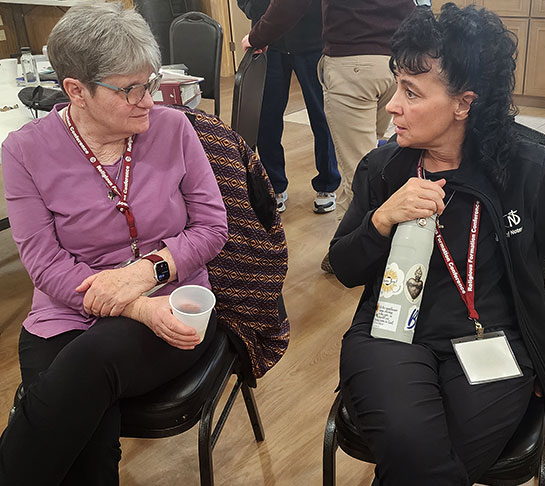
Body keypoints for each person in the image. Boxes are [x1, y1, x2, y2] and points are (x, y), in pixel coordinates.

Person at [329, 4, 545, 485]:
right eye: (397, 86)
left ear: (463, 104)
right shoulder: (383, 169)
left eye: (411, 91)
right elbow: (344, 267)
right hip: (391, 332)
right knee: (417, 450)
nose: (392, 105)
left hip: (495, 339)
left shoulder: (528, 171)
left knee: (420, 464)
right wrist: (382, 219)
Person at [0, 4, 228, 485]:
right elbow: (44, 264)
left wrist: (146, 274)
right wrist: (133, 305)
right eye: (130, 89)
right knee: (87, 446)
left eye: (150, 82)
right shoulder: (24, 151)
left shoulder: (173, 128)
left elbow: (211, 227)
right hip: (65, 312)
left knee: (85, 368)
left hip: (172, 306)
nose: (148, 99)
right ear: (76, 91)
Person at [242, 0, 415, 269]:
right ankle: (356, 245)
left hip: (354, 61)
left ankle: (353, 257)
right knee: (370, 161)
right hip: (398, 59)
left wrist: (257, 37)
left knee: (360, 171)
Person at [239, 0, 340, 214]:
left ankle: (327, 183)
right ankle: (273, 185)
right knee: (267, 118)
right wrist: (257, 13)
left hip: (312, 42)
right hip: (269, 43)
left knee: (322, 116)